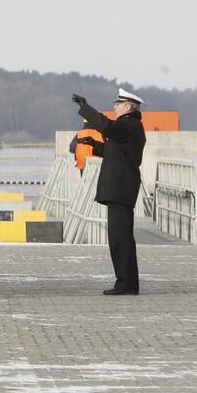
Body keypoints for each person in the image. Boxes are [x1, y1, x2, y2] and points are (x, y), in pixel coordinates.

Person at [72, 88, 146, 295]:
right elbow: (114, 151)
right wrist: (94, 146)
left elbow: (107, 126)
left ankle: (126, 284)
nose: (115, 107)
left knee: (120, 238)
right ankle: (126, 282)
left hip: (120, 189)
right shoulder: (128, 127)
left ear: (129, 107)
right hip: (120, 189)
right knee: (119, 237)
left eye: (118, 104)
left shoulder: (128, 125)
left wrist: (86, 109)